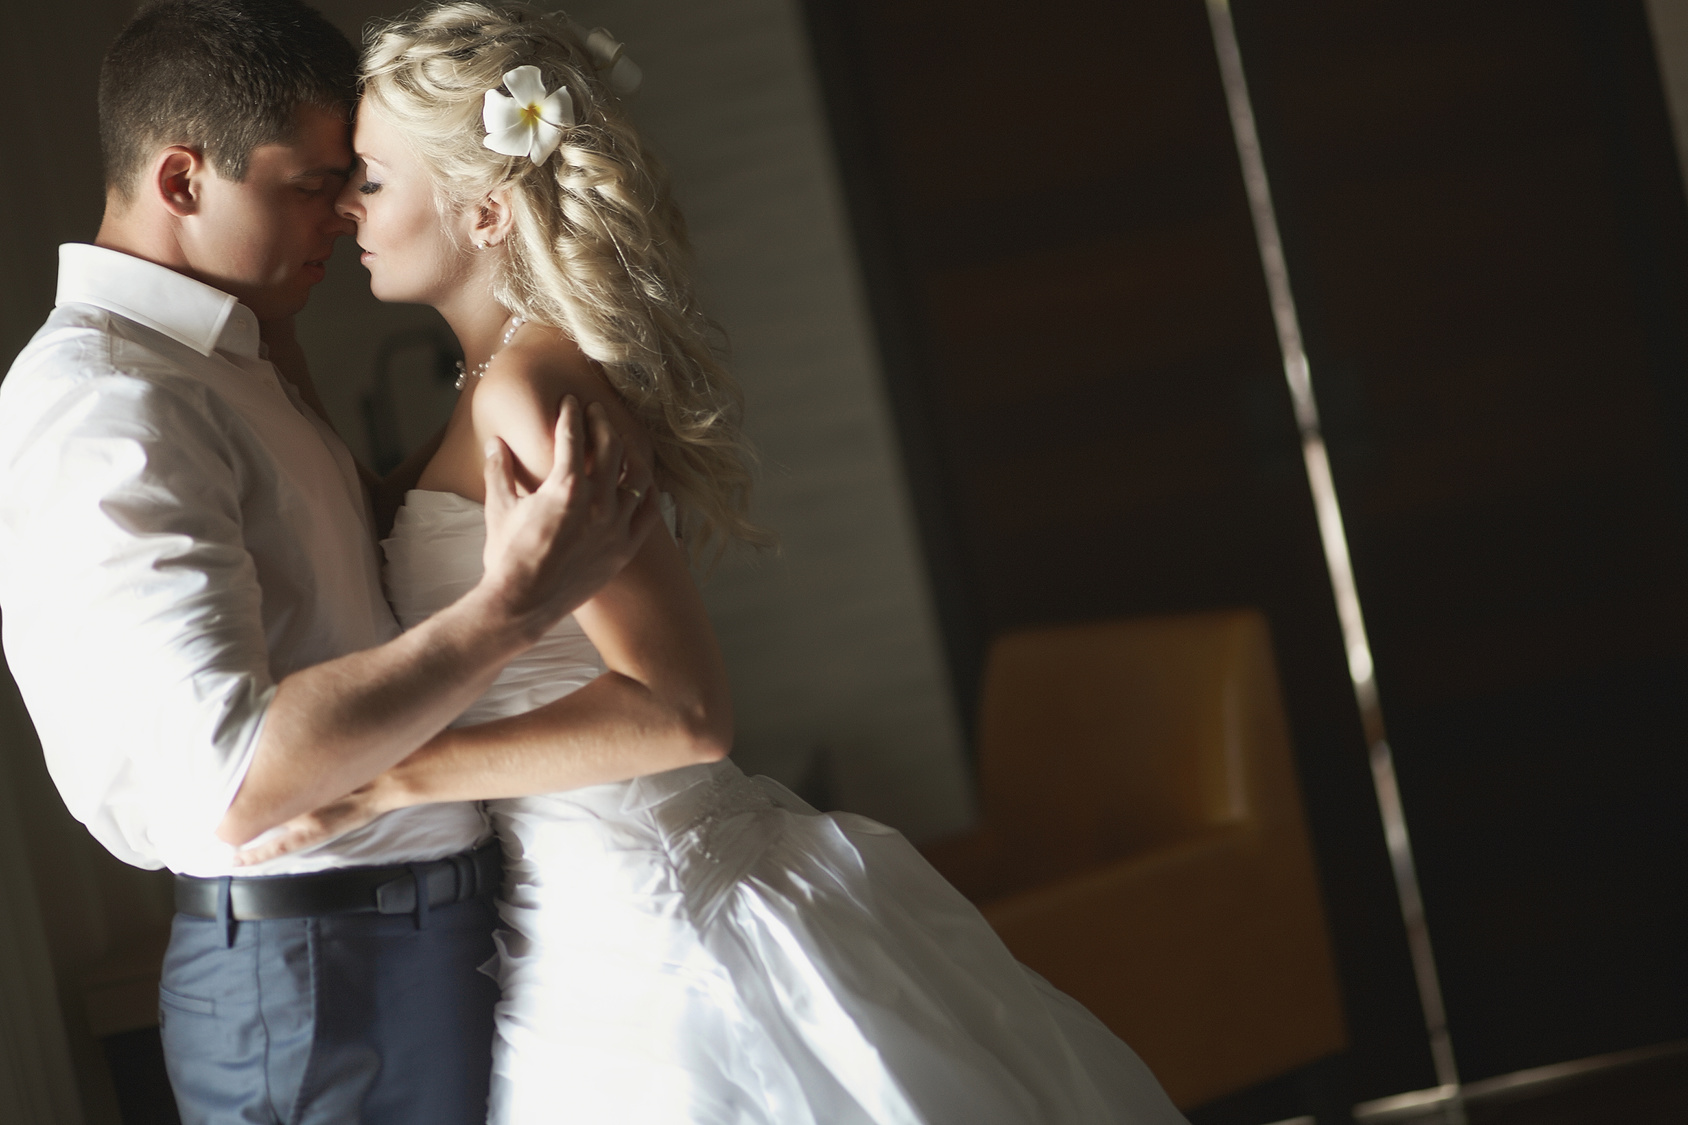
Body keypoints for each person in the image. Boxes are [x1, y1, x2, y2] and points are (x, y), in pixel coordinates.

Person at [234, 4, 1193, 1122]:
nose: (349, 205)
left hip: (650, 914)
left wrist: (392, 779)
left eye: (374, 179)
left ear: (486, 207)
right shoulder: (494, 385)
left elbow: (681, 712)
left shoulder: (529, 391)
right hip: (575, 919)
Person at [0, 1, 707, 1122]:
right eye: (309, 184)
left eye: (359, 180)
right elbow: (229, 777)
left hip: (425, 936)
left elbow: (351, 579)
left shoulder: (233, 360)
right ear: (182, 181)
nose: (339, 215)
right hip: (322, 969)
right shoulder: (109, 400)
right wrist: (512, 607)